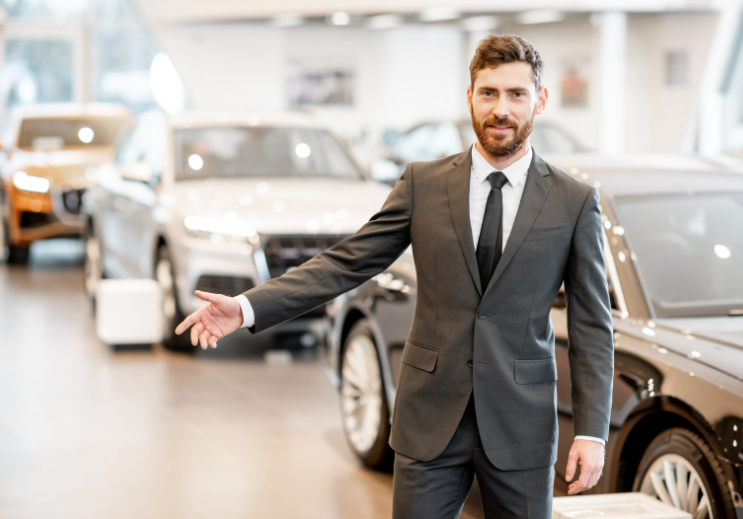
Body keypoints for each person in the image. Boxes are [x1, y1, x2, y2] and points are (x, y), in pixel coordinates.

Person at [175, 34, 614, 519]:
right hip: (430, 419)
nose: (501, 109)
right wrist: (248, 306)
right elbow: (346, 262)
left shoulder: (574, 202)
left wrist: (591, 431)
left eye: (516, 94)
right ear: (469, 97)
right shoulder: (422, 184)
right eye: (488, 93)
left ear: (541, 100)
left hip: (521, 422)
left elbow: (592, 325)